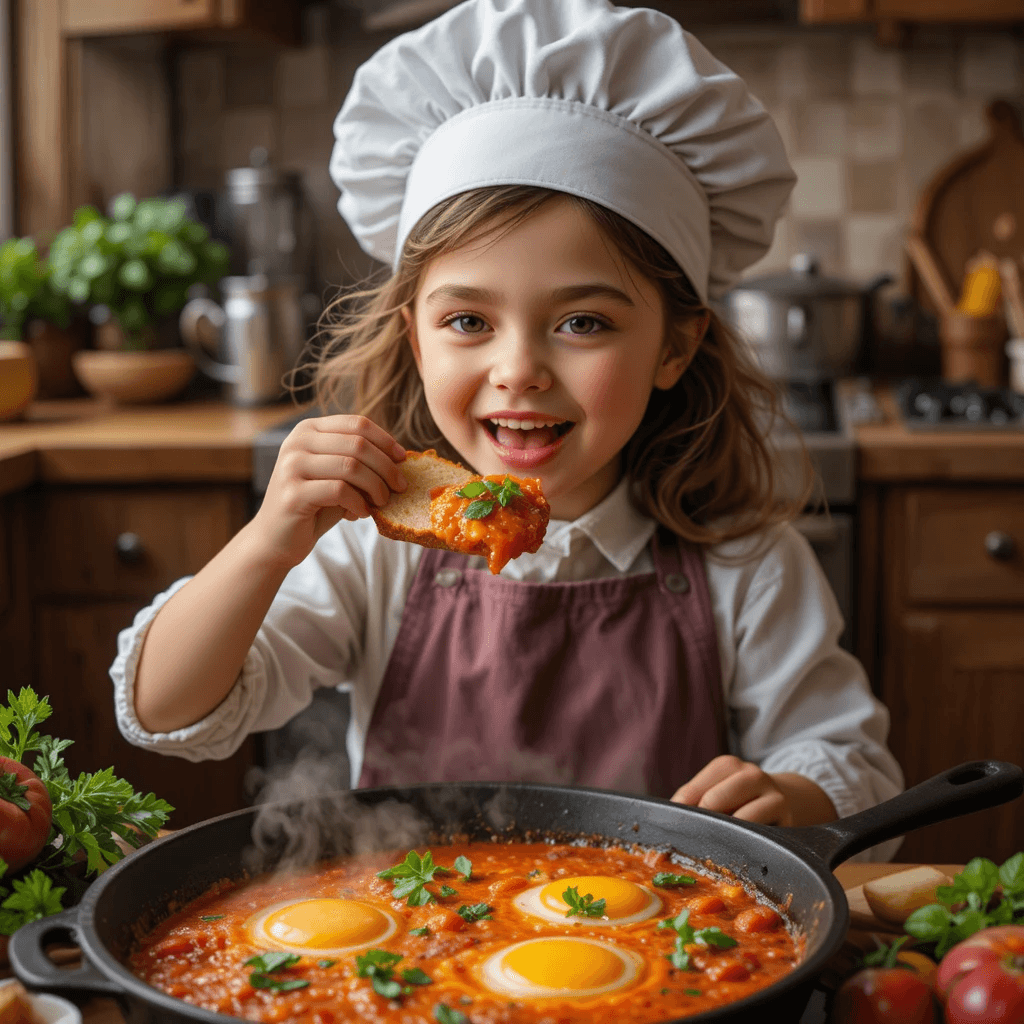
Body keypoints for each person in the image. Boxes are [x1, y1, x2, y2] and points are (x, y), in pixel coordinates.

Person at [111, 0, 902, 855]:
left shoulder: (748, 566)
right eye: (469, 322)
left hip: (667, 968)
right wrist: (267, 543)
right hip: (411, 961)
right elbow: (167, 712)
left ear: (675, 345)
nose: (518, 368)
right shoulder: (371, 548)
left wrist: (788, 792)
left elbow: (852, 764)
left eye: (584, 323)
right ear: (414, 334)